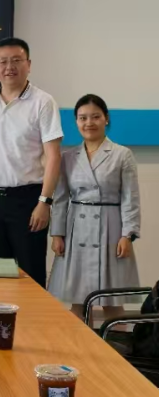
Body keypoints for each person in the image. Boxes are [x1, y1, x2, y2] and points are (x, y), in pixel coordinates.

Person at [0, 37, 63, 287]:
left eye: (16, 60)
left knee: (30, 271)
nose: (9, 67)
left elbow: (54, 156)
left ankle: (32, 316)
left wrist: (44, 202)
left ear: (28, 64)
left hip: (28, 200)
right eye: (2, 62)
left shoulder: (43, 102)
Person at [49, 95, 140, 318]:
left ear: (106, 119)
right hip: (76, 230)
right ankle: (77, 341)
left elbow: (130, 198)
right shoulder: (68, 157)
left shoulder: (122, 154)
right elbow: (60, 199)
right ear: (76, 122)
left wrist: (127, 235)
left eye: (95, 117)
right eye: (83, 118)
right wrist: (57, 234)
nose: (89, 123)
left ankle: (116, 339)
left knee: (112, 301)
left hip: (111, 229)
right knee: (77, 300)